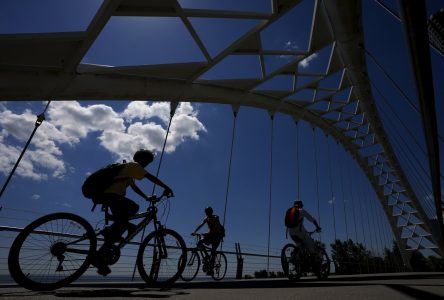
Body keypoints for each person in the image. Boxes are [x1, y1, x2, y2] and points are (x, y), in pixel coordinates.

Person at [93, 149, 174, 275]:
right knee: (133, 208)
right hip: (111, 195)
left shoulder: (128, 172)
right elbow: (150, 177)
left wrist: (146, 197)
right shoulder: (134, 166)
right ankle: (116, 230)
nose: (147, 164)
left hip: (110, 196)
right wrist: (166, 187)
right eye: (147, 161)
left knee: (119, 226)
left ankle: (100, 255)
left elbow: (134, 187)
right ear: (142, 159)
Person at [191, 207, 225, 275]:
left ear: (211, 212)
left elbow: (216, 228)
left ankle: (211, 270)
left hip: (217, 236)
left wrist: (206, 233)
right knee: (199, 242)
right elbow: (201, 224)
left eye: (208, 212)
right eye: (206, 212)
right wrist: (194, 231)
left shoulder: (216, 217)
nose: (207, 213)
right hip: (211, 235)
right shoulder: (206, 219)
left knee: (213, 251)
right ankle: (207, 256)